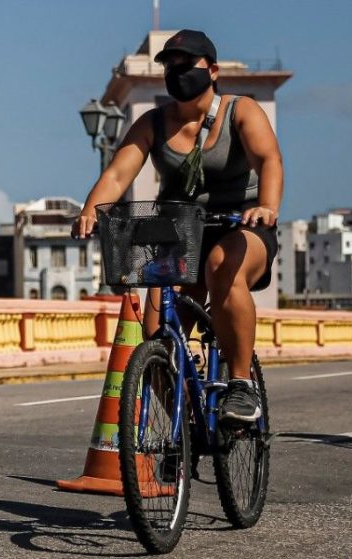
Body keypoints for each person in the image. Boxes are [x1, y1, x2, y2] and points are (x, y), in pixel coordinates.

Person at [73, 30, 281, 424]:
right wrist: (90, 211)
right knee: (158, 338)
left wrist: (267, 207)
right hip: (182, 232)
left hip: (242, 224)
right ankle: (185, 431)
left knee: (221, 266)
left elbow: (269, 160)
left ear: (213, 70)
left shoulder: (241, 110)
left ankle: (240, 386)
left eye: (186, 65)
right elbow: (118, 174)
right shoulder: (153, 122)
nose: (177, 73)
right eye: (169, 67)